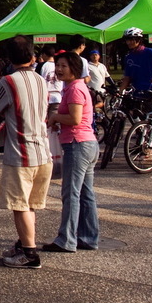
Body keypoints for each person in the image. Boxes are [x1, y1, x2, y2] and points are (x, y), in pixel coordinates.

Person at [0, 35, 53, 269]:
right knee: (30, 204)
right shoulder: (41, 80)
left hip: (20, 153)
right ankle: (24, 243)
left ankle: (29, 253)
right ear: (32, 55)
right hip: (43, 151)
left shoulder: (9, 81)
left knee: (20, 205)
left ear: (10, 58)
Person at [44, 50, 100, 253]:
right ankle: (88, 237)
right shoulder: (75, 87)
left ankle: (66, 240)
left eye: (63, 66)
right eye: (57, 65)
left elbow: (75, 119)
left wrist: (55, 117)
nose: (59, 69)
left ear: (74, 69)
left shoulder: (75, 89)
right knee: (85, 193)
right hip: (87, 144)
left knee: (71, 193)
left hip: (78, 145)